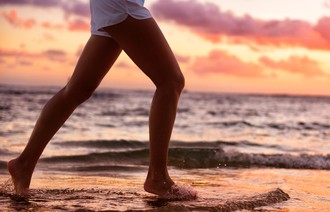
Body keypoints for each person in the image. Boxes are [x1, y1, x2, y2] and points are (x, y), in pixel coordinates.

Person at [7, 0, 197, 199]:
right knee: (171, 81)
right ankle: (157, 177)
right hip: (120, 3)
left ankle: (24, 164)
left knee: (79, 89)